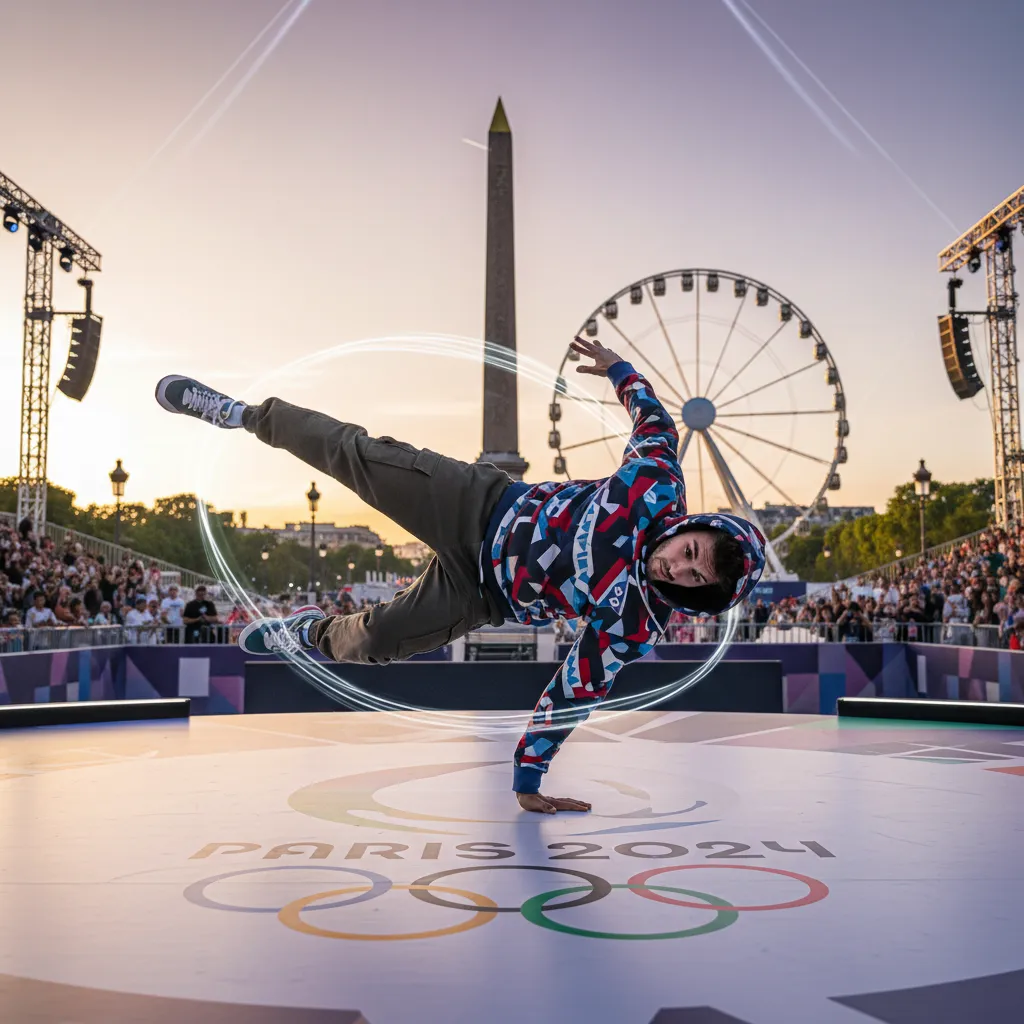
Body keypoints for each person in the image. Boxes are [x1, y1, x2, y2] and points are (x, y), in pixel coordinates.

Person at [155, 335, 766, 814]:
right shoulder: (656, 483)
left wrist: (529, 777)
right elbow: (653, 421)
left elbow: (576, 691)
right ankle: (241, 414)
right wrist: (617, 369)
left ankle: (307, 635)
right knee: (355, 456)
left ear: (699, 597)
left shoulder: (636, 621)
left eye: (693, 581)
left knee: (376, 643)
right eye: (690, 552)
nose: (677, 568)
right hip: (477, 503)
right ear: (694, 527)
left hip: (480, 594)